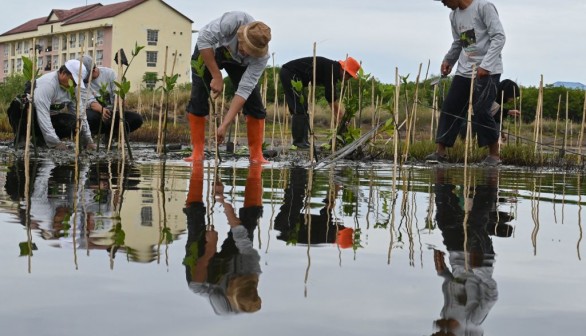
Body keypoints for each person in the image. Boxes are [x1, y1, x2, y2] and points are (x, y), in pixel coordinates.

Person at [430, 167, 513, 336]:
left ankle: (441, 176)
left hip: (456, 255)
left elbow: (454, 285)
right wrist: (478, 269)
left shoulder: (444, 317)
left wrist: (443, 272)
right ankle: (490, 177)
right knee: (476, 222)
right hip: (481, 259)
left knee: (444, 218)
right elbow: (492, 295)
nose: (435, 331)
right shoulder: (472, 322)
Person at [426, 0, 506, 166]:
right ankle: (440, 152)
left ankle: (494, 155)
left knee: (482, 110)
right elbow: (461, 42)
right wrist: (449, 59)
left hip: (488, 70)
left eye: (444, 0)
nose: (444, 4)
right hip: (464, 70)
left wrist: (486, 65)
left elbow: (499, 37)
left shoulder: (483, 7)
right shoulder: (454, 16)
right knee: (450, 107)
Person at [185, 11, 271, 163]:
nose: (247, 54)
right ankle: (197, 152)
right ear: (240, 37)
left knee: (255, 103)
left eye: (252, 53)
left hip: (237, 64)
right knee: (198, 96)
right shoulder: (232, 21)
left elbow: (244, 90)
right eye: (246, 49)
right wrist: (216, 76)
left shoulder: (261, 58)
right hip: (211, 50)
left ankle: (257, 155)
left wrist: (225, 124)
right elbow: (203, 40)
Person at [184, 163, 263, 314]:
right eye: (235, 279)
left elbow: (195, 285)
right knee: (248, 225)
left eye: (231, 282)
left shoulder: (220, 301)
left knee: (196, 228)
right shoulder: (251, 267)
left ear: (229, 295)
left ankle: (195, 176)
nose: (231, 279)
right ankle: (255, 174)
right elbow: (240, 233)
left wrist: (210, 249)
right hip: (234, 259)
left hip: (206, 275)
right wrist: (222, 199)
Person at [7, 59, 95, 150]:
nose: (74, 84)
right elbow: (43, 114)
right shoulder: (48, 84)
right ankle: (22, 140)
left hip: (50, 119)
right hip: (31, 118)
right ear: (63, 73)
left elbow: (80, 114)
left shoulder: (73, 89)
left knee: (75, 122)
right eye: (73, 80)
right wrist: (55, 143)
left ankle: (41, 141)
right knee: (19, 104)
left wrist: (88, 140)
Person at [279, 56, 361, 149]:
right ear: (344, 71)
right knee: (299, 107)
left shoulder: (333, 69)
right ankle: (299, 142)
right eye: (349, 76)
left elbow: (331, 96)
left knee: (303, 107)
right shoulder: (332, 70)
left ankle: (304, 142)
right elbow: (330, 96)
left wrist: (339, 117)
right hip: (290, 73)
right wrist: (340, 117)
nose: (348, 79)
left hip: (293, 75)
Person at [274, 167, 353, 248]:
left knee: (296, 196)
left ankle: (298, 168)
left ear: (338, 233)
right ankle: (297, 169)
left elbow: (328, 205)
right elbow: (327, 207)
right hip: (283, 225)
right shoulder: (327, 237)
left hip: (286, 225)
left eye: (342, 227)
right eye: (343, 227)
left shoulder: (328, 234)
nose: (341, 225)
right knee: (293, 200)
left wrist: (336, 184)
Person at [81, 56, 144, 143]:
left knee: (137, 119)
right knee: (87, 117)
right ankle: (89, 137)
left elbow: (118, 95)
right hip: (96, 114)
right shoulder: (83, 82)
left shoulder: (109, 74)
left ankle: (112, 135)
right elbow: (90, 101)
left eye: (86, 75)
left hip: (112, 113)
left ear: (94, 70)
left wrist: (119, 103)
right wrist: (101, 110)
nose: (84, 79)